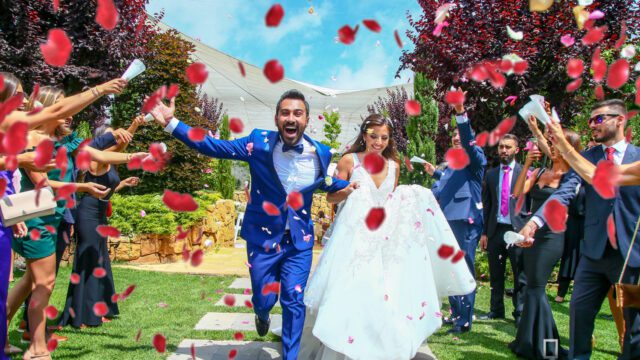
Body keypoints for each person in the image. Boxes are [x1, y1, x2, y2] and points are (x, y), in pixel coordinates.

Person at [149, 89, 355, 360]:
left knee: (293, 300)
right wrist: (171, 124)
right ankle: (261, 313)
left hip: (298, 241)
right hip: (262, 238)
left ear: (306, 119)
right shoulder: (258, 144)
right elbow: (215, 147)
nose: (290, 118)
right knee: (264, 298)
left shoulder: (322, 153)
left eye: (297, 113)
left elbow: (328, 184)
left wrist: (357, 187)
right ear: (276, 118)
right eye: (285, 113)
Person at [297, 114, 476, 360]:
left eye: (384, 137)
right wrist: (347, 191)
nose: (378, 142)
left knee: (384, 292)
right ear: (364, 135)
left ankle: (379, 343)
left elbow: (392, 204)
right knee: (354, 288)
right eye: (373, 137)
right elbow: (331, 198)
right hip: (354, 239)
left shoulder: (394, 166)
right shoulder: (350, 161)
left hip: (386, 239)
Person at [6, 83, 144, 360]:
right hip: (37, 218)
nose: (69, 114)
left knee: (33, 282)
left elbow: (101, 154)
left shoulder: (60, 142)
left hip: (54, 215)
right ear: (47, 107)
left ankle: (13, 335)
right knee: (43, 283)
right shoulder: (32, 138)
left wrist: (135, 156)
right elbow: (42, 183)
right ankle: (37, 347)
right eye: (62, 107)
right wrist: (83, 189)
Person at [519, 99, 640, 359]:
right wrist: (534, 222)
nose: (592, 125)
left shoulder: (638, 158)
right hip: (593, 253)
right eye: (590, 119)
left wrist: (562, 143)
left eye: (599, 119)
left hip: (630, 255)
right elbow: (562, 194)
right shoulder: (587, 157)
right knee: (579, 314)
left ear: (620, 120)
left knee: (634, 324)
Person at [59, 118, 144, 329]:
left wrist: (134, 126)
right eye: (111, 135)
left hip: (98, 214)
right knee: (87, 263)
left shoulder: (107, 160)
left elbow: (119, 149)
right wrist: (131, 133)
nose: (116, 138)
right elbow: (118, 148)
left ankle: (90, 310)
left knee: (96, 263)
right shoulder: (96, 159)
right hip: (88, 213)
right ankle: (82, 316)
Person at [509, 118, 582, 359]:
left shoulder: (572, 176)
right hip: (531, 236)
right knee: (531, 287)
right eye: (550, 142)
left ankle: (549, 347)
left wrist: (540, 129)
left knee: (537, 289)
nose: (551, 146)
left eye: (556, 143)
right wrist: (526, 163)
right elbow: (517, 193)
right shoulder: (541, 171)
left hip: (552, 236)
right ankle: (527, 342)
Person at [423, 92, 487, 333]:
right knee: (450, 267)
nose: (456, 140)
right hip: (445, 221)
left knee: (464, 268)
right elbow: (445, 184)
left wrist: (461, 115)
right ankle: (455, 312)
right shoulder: (450, 165)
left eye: (460, 137)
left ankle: (465, 319)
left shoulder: (475, 159)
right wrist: (435, 173)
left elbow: (469, 142)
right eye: (453, 138)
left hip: (464, 220)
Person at [479, 134, 527, 324]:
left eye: (508, 147)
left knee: (519, 274)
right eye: (501, 147)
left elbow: (529, 203)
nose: (504, 151)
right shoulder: (491, 175)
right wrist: (484, 232)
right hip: (496, 230)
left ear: (516, 149)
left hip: (517, 230)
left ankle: (520, 312)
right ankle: (496, 310)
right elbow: (487, 205)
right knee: (496, 273)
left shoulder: (525, 173)